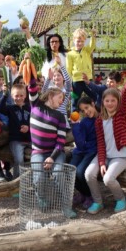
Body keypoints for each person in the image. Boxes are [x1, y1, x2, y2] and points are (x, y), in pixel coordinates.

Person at [85, 66, 126, 213]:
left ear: (117, 102)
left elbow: (125, 95)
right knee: (89, 174)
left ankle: (120, 198)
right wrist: (102, 161)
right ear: (103, 102)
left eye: (113, 100)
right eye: (107, 100)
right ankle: (98, 202)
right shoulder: (100, 120)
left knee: (108, 179)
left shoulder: (122, 115)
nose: (110, 103)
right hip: (106, 155)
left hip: (121, 155)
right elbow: (101, 143)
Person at [29, 83, 76, 219]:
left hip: (55, 152)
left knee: (59, 173)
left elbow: (61, 141)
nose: (62, 101)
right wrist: (28, 65)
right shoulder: (36, 106)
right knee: (39, 176)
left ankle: (66, 206)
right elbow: (31, 87)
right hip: (38, 152)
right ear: (50, 95)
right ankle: (42, 198)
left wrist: (52, 157)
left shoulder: (60, 116)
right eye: (60, 97)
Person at [70, 97, 99, 213]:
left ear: (92, 103)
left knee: (80, 171)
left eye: (87, 108)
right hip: (82, 150)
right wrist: (76, 126)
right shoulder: (84, 122)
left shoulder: (101, 118)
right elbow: (80, 143)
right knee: (70, 170)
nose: (86, 112)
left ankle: (89, 195)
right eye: (83, 111)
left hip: (93, 151)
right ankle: (83, 193)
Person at [0, 84, 31, 179]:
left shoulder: (29, 108)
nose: (19, 98)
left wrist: (28, 128)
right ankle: (16, 182)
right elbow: (1, 108)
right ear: (12, 96)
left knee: (36, 158)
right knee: (19, 160)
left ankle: (33, 180)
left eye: (21, 96)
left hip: (29, 139)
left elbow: (34, 121)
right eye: (16, 96)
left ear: (25, 96)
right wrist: (4, 95)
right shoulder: (10, 108)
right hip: (16, 140)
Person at [66, 28, 97, 110]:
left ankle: (97, 116)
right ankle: (74, 119)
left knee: (95, 97)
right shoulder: (70, 54)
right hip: (76, 82)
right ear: (74, 40)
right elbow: (68, 69)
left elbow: (92, 45)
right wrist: (69, 84)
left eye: (82, 41)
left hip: (88, 80)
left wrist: (93, 36)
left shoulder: (87, 51)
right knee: (75, 101)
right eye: (78, 41)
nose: (80, 43)